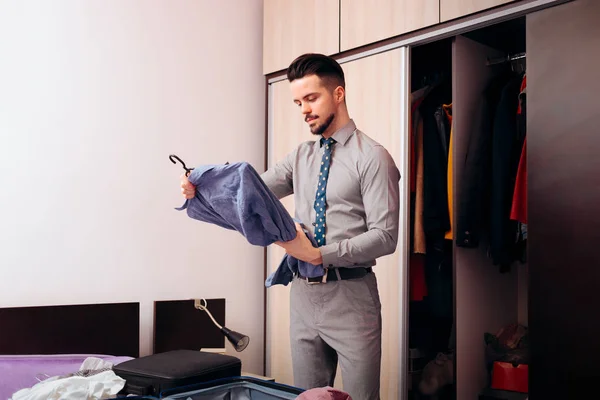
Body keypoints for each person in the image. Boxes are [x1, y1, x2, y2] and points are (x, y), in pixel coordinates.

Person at [180, 53, 400, 400]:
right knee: (306, 397)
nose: (304, 110)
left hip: (353, 298)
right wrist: (202, 188)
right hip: (303, 296)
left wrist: (318, 254)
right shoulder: (301, 156)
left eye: (311, 98)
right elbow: (250, 192)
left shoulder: (372, 156)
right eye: (299, 102)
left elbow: (386, 237)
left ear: (338, 94)